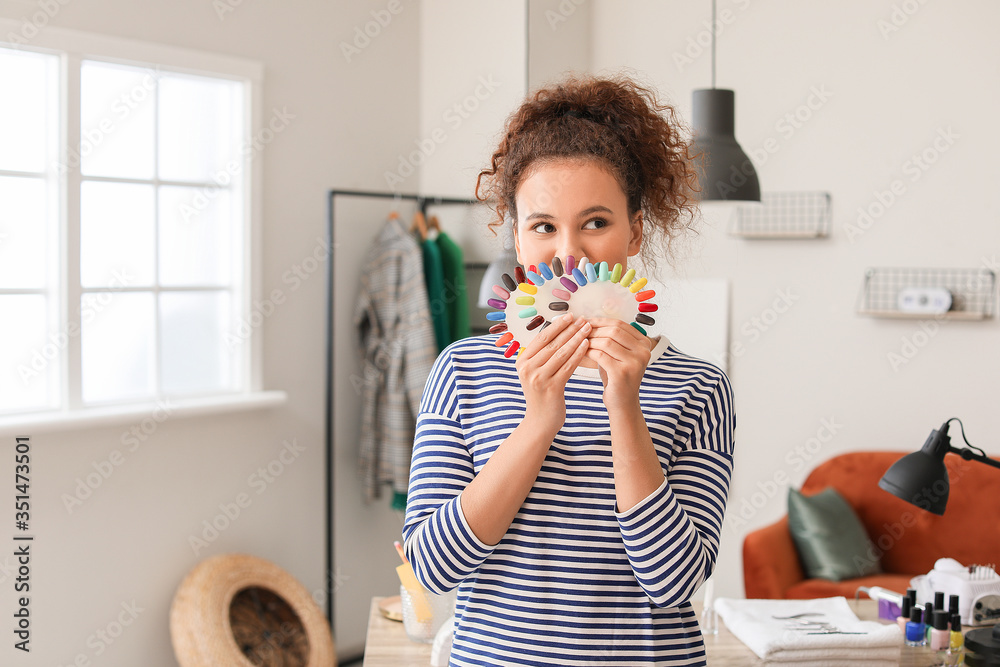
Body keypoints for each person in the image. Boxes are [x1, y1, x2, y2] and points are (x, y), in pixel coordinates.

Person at [402, 73, 736, 666]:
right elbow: (429, 570)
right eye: (543, 226)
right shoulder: (463, 371)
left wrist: (623, 407)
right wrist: (538, 422)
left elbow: (674, 583)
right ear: (518, 237)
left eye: (596, 222)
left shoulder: (699, 385)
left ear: (635, 230)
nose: (569, 253)